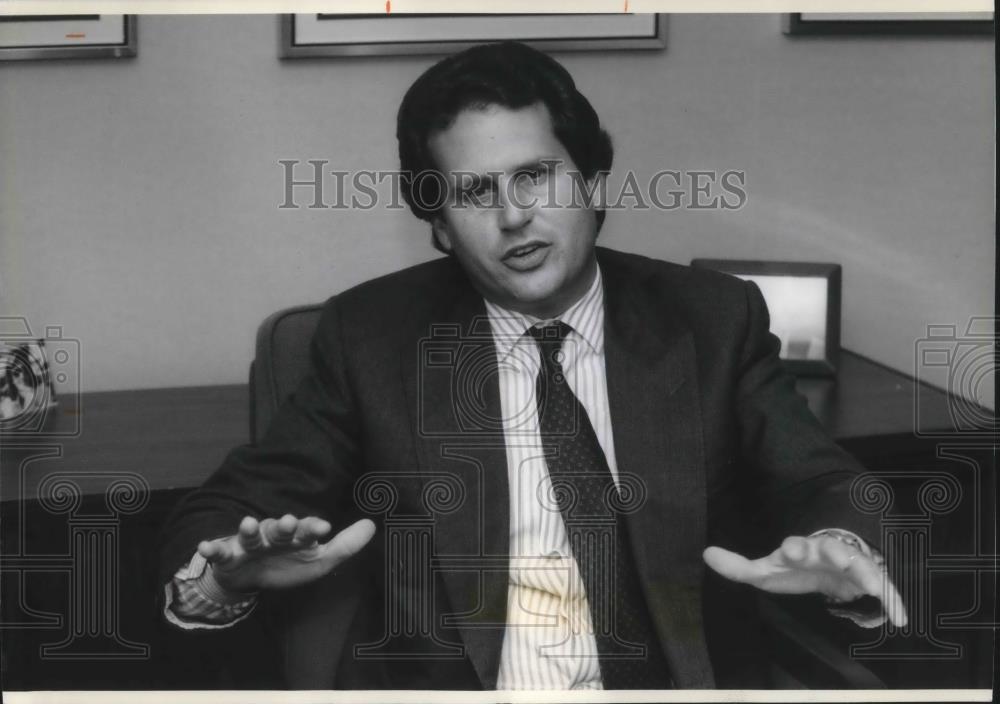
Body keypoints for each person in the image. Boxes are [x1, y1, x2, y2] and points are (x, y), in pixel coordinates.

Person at [159, 41, 906, 690]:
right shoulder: (371, 339)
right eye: (474, 193)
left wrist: (841, 542)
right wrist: (219, 576)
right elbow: (225, 510)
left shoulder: (711, 318)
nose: (513, 215)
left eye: (537, 175)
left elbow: (822, 480)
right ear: (441, 229)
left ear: (593, 180)